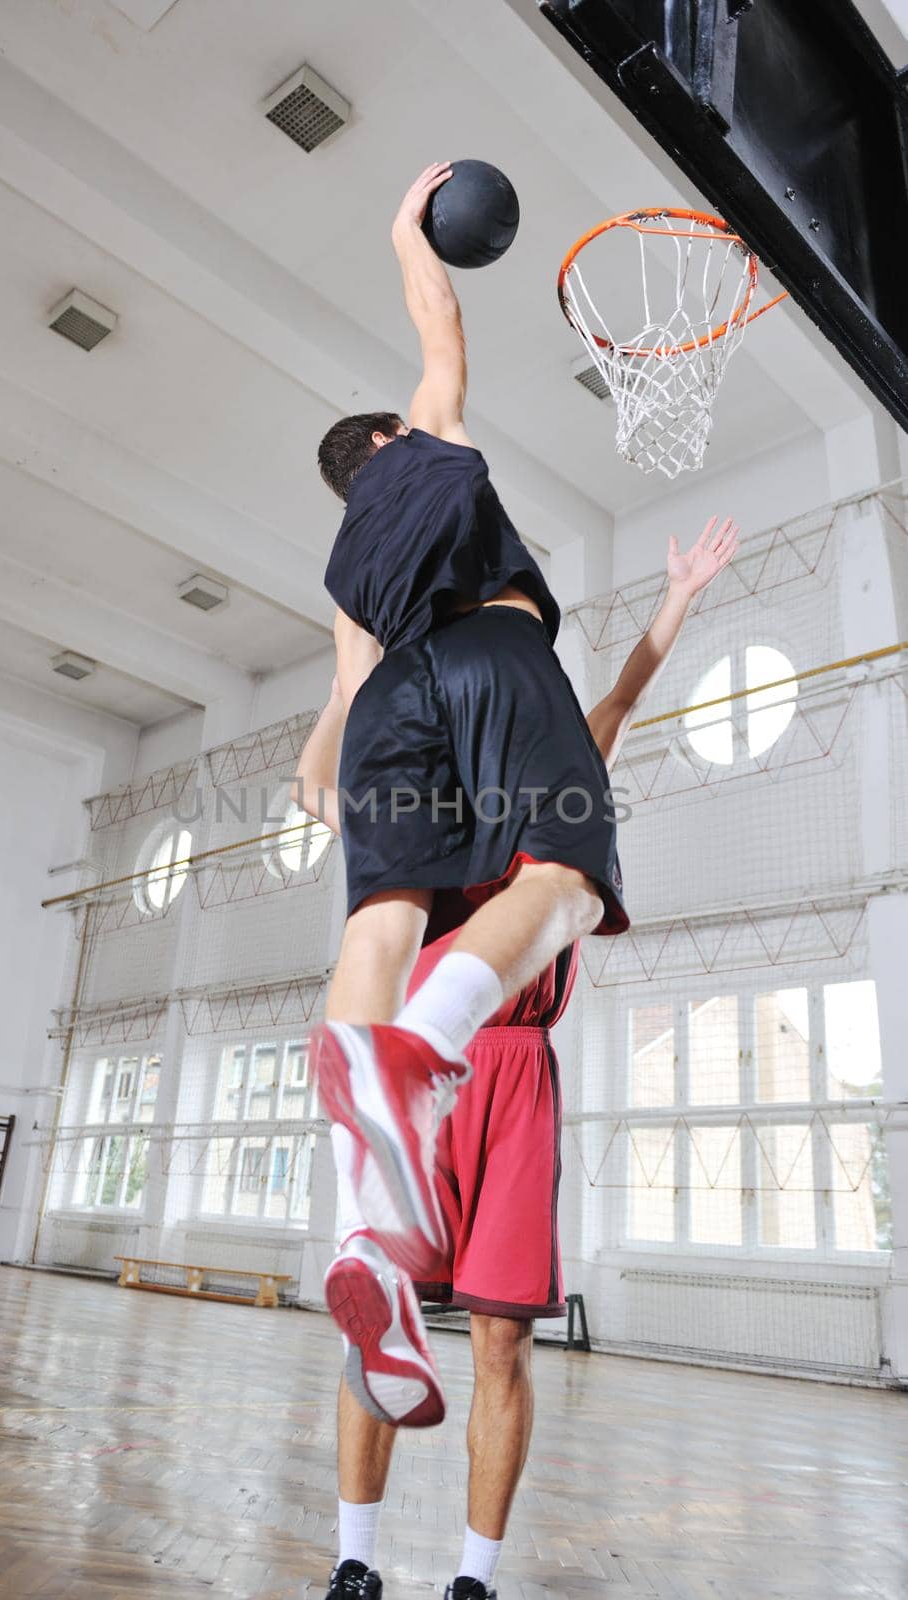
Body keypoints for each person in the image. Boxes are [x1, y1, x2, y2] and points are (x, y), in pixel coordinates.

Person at [292, 523, 739, 1600]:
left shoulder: (555, 783)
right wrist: (350, 654)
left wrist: (674, 604)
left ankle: (473, 1577)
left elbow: (619, 705)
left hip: (516, 1077)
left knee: (501, 1345)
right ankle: (354, 1561)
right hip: (421, 1072)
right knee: (380, 1323)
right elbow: (321, 770)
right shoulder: (407, 799)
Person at [312, 160, 737, 1288]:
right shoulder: (425, 457)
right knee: (568, 878)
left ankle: (363, 1205)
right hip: (490, 660)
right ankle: (423, 1046)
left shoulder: (346, 570)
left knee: (383, 914)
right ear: (391, 439)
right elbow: (438, 318)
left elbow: (343, 703)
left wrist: (333, 784)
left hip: (390, 710)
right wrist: (406, 228)